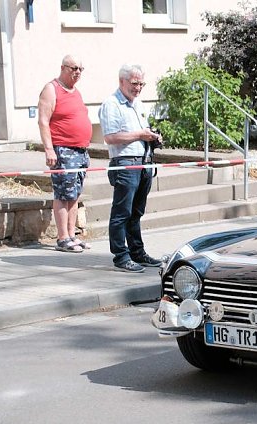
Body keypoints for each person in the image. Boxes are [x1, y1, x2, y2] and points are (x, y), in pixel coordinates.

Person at [99, 64, 164, 273]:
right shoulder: (111, 104)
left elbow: (141, 131)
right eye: (134, 83)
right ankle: (120, 255)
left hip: (144, 161)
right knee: (122, 212)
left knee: (136, 211)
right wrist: (140, 135)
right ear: (122, 81)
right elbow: (110, 137)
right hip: (125, 163)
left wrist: (153, 137)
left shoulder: (139, 104)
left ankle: (137, 252)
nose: (138, 88)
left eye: (141, 83)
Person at [37, 55, 92, 254]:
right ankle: (62, 238)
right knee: (63, 194)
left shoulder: (74, 91)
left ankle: (71, 234)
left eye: (81, 69)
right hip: (63, 150)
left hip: (79, 150)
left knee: (75, 194)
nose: (77, 72)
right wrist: (49, 149)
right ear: (63, 67)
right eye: (74, 68)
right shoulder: (51, 89)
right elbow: (43, 121)